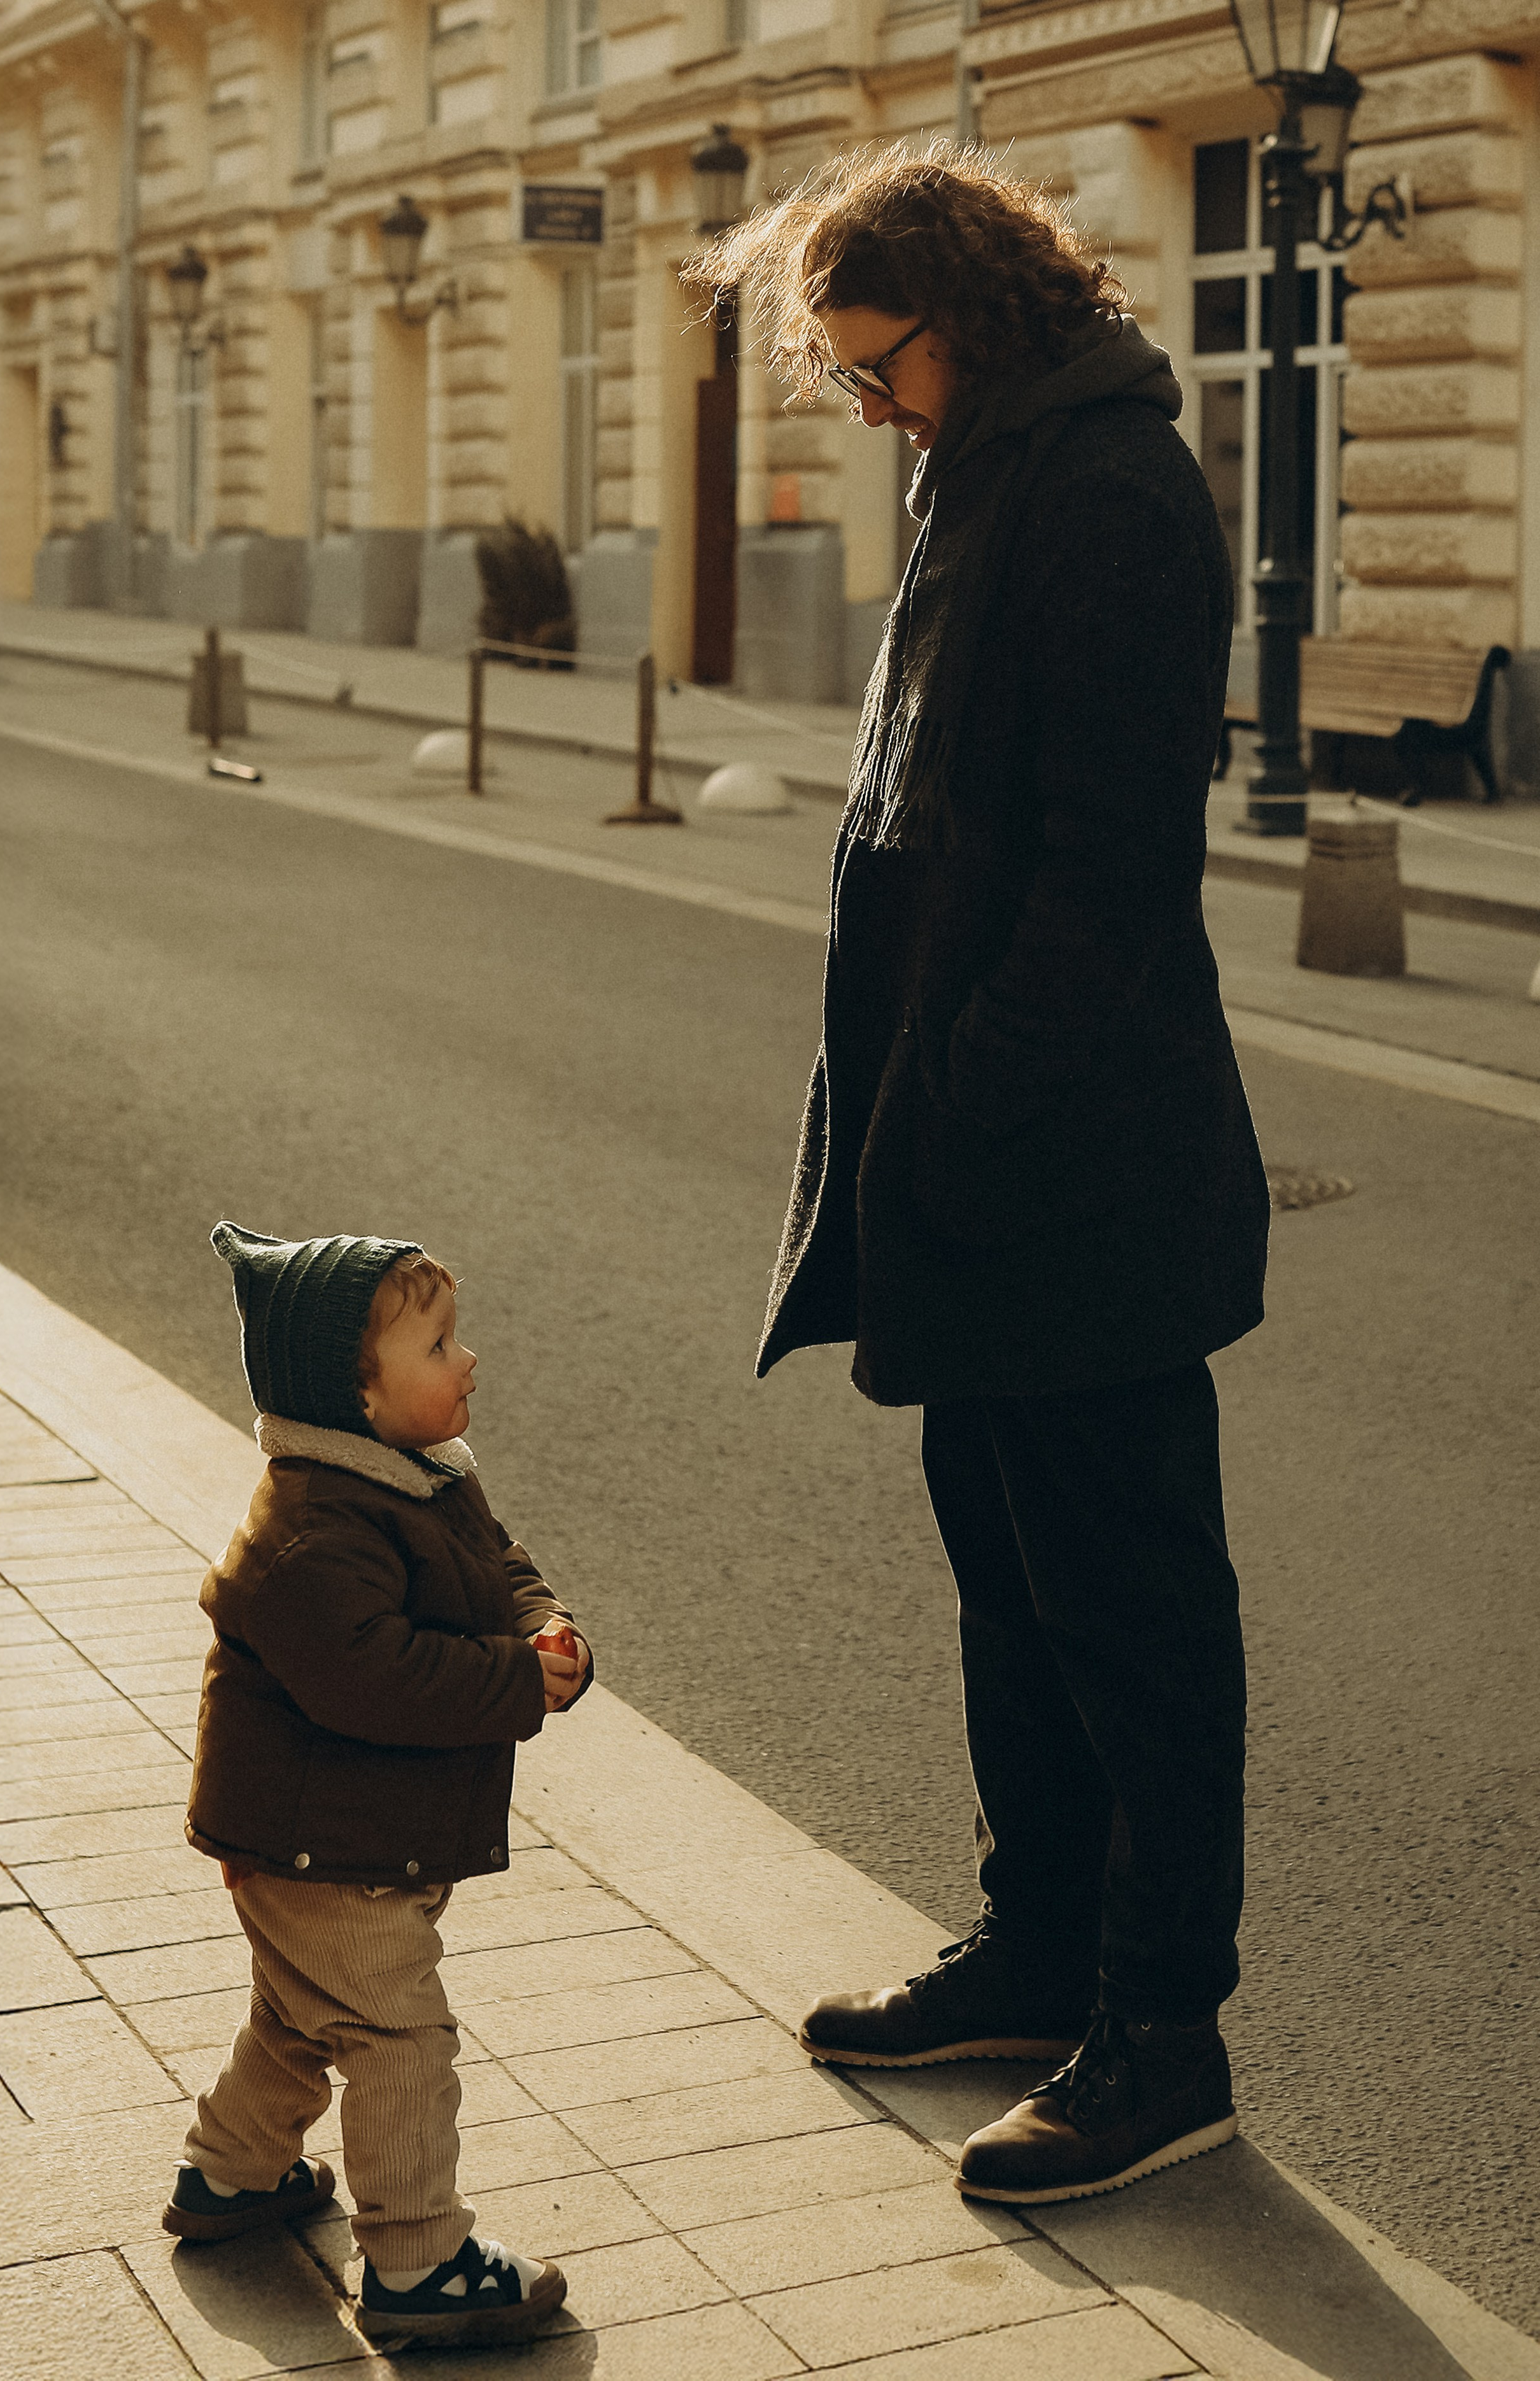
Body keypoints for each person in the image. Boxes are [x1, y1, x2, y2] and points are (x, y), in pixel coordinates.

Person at [690, 146, 1271, 2205]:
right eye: (843, 382)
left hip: (1077, 1170)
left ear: (976, 310)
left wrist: (970, 1110)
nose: (868, 411)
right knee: (1012, 1598)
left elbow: (1107, 881)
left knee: (1129, 1612)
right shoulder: (978, 458)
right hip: (969, 1161)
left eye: (878, 370)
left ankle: (1159, 2035)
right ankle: (1035, 1953)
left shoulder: (1108, 490)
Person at [163, 1222, 590, 2345]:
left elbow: (496, 1560)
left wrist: (540, 1628)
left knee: (304, 2015)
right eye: (438, 1345)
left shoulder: (419, 1476)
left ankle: (231, 2175)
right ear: (352, 1394)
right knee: (398, 2039)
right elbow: (375, 1682)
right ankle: (417, 2261)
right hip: (319, 1846)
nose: (468, 1360)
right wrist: (516, 1682)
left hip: (343, 1837)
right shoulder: (312, 1533)